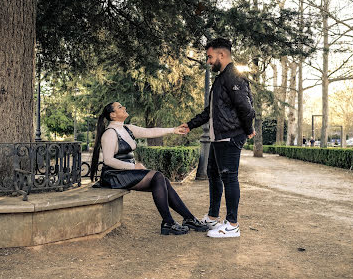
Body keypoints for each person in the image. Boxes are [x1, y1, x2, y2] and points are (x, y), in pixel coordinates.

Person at [90, 102, 208, 235]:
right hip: (113, 175)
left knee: (162, 179)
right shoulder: (110, 133)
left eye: (123, 106)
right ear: (113, 115)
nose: (124, 108)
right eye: (120, 107)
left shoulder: (127, 129)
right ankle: (169, 222)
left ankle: (189, 219)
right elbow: (108, 160)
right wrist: (133, 166)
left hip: (125, 172)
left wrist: (173, 130)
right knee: (157, 177)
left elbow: (150, 132)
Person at [180, 38, 255, 238]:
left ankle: (232, 225)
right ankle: (213, 217)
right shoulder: (221, 79)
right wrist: (191, 124)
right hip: (219, 137)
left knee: (229, 177)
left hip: (230, 136)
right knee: (213, 174)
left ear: (221, 55)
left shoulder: (233, 77)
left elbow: (246, 108)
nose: (208, 61)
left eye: (210, 57)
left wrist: (248, 129)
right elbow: (211, 111)